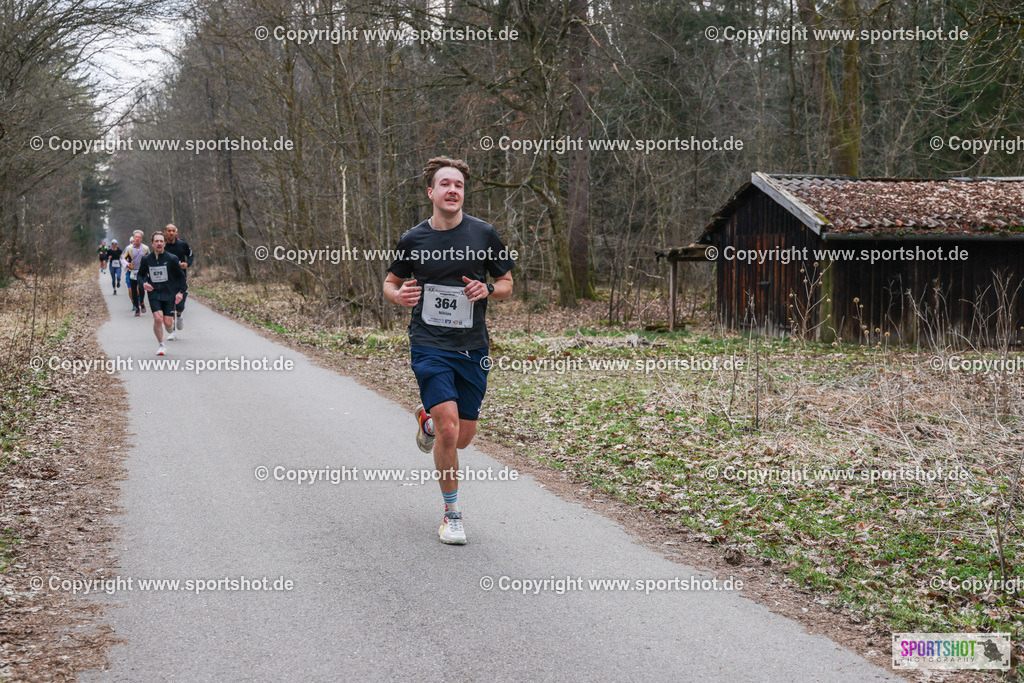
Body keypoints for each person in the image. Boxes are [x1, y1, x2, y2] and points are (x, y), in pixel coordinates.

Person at [384, 156, 515, 545]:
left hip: (472, 346)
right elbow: (390, 283)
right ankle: (452, 513)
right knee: (449, 427)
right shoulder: (414, 239)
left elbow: (507, 281)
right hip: (429, 344)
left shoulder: (484, 234)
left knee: (461, 438)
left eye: (458, 185)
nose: (452, 190)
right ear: (432, 192)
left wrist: (488, 289)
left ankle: (425, 420)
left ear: (463, 192)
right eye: (445, 184)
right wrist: (400, 295)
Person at [138, 231, 186, 355]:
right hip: (154, 293)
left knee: (168, 323)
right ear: (152, 244)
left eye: (161, 241)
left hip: (169, 293)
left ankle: (173, 323)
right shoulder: (146, 259)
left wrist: (180, 292)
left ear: (164, 243)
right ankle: (161, 345)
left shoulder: (172, 258)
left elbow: (181, 277)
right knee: (158, 319)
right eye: (156, 241)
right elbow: (140, 276)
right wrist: (143, 284)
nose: (159, 243)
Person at [162, 224, 193, 331]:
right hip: (166, 279)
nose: (171, 233)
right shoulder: (162, 246)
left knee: (179, 306)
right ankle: (172, 331)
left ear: (176, 233)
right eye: (169, 231)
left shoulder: (182, 244)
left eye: (173, 231)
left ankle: (179, 315)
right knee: (170, 305)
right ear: (165, 232)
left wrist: (187, 264)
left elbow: (191, 255)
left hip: (181, 278)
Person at [124, 231, 150, 316]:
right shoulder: (129, 248)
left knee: (141, 288)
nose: (137, 239)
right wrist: (126, 264)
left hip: (142, 272)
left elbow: (150, 258)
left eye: (139, 237)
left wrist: (149, 269)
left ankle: (141, 302)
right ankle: (137, 308)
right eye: (136, 237)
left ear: (141, 239)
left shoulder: (145, 248)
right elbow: (122, 258)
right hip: (132, 271)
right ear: (133, 238)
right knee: (134, 291)